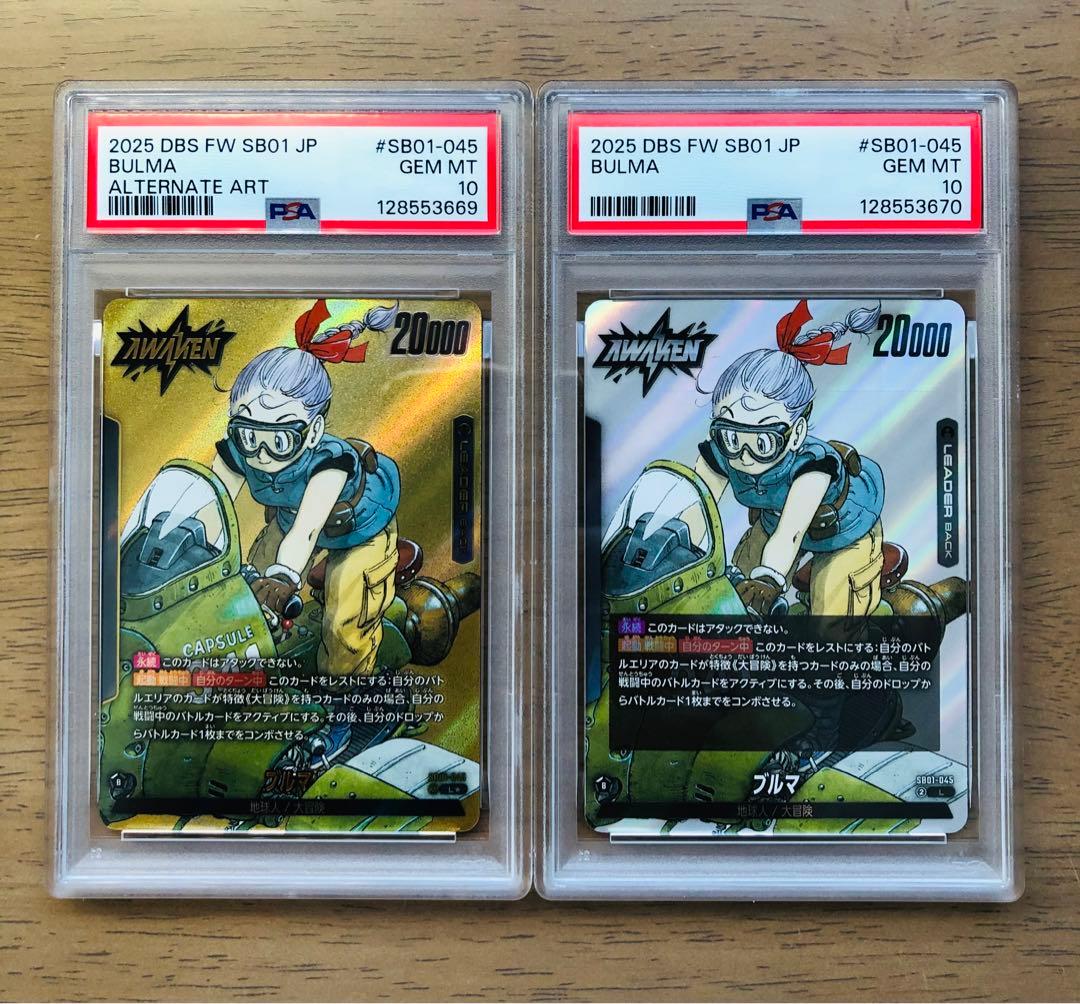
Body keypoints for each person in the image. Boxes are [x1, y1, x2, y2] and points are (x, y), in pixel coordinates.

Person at [211, 298, 400, 679]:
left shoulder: (330, 463)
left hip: (357, 529)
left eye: (279, 440)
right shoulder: (238, 450)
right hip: (289, 517)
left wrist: (283, 577)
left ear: (313, 432)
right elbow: (212, 505)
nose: (260, 453)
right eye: (248, 434)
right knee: (241, 598)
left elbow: (306, 532)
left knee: (345, 630)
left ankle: (348, 698)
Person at [695, 299, 885, 619]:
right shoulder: (722, 452)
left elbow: (791, 533)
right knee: (729, 602)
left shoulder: (813, 466)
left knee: (828, 627)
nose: (744, 455)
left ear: (796, 434)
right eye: (731, 436)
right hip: (773, 521)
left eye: (763, 442)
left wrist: (769, 579)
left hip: (841, 531)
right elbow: (696, 507)